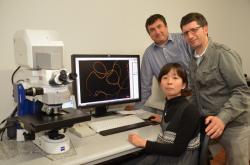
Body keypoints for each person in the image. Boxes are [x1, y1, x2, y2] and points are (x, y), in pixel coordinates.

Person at [180, 12, 250, 165]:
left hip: (234, 125)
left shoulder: (223, 54)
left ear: (205, 29)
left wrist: (222, 118)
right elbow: (195, 95)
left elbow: (242, 92)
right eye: (186, 33)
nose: (190, 36)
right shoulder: (192, 60)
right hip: (211, 124)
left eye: (194, 30)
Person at [124, 63, 200, 165]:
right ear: (160, 84)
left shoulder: (190, 110)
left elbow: (177, 150)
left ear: (183, 85)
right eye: (165, 78)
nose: (169, 82)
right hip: (167, 154)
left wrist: (144, 143)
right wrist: (163, 119)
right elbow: (177, 121)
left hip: (179, 159)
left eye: (175, 78)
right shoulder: (169, 103)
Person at [125, 14, 191, 110]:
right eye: (152, 30)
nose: (157, 32)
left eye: (159, 26)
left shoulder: (184, 40)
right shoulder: (148, 54)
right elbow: (144, 86)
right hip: (172, 101)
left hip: (196, 95)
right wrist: (136, 108)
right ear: (149, 34)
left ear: (166, 26)